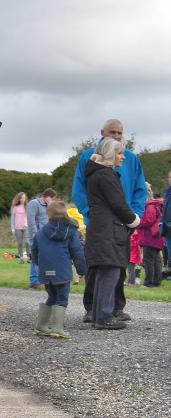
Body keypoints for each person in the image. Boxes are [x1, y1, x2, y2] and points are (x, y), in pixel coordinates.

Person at [72, 119, 146, 322]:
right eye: (112, 132)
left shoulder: (131, 158)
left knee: (118, 266)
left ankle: (115, 307)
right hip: (104, 220)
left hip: (124, 221)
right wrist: (89, 212)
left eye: (120, 133)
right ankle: (94, 309)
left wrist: (135, 216)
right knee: (100, 266)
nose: (116, 136)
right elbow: (79, 189)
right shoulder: (90, 159)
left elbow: (140, 189)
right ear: (102, 133)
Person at [82, 138, 140, 330]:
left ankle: (99, 314)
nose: (123, 157)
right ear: (109, 154)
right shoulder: (106, 175)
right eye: (119, 153)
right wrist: (134, 220)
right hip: (109, 229)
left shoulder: (96, 175)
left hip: (100, 227)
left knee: (103, 272)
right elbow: (118, 204)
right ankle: (105, 315)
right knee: (111, 270)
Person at [30, 200, 86, 338]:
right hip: (62, 272)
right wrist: (81, 270)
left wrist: (41, 266)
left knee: (51, 297)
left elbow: (34, 253)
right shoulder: (71, 232)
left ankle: (41, 325)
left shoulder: (40, 233)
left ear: (48, 216)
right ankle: (57, 328)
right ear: (65, 215)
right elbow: (77, 252)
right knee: (61, 298)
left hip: (45, 272)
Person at [26, 188, 56, 289]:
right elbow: (31, 218)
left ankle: (46, 280)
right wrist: (34, 233)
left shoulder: (48, 206)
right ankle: (34, 281)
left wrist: (51, 206)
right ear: (48, 197)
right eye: (53, 199)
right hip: (37, 235)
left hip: (47, 235)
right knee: (36, 258)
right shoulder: (34, 203)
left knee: (47, 258)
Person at [137, 183, 164, 287]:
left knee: (148, 260)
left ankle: (149, 282)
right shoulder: (156, 205)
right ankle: (157, 281)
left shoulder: (150, 206)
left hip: (149, 237)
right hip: (157, 237)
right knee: (156, 260)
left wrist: (138, 223)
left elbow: (148, 220)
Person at [11, 193, 29, 262]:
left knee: (27, 242)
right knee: (20, 243)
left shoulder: (27, 207)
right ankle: (21, 258)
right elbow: (12, 219)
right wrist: (13, 228)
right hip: (18, 227)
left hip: (26, 227)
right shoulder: (15, 208)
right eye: (21, 198)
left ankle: (28, 257)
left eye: (24, 198)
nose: (22, 199)